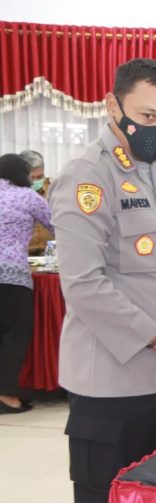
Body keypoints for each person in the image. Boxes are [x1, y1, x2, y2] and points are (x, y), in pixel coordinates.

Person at [48, 58, 156, 503]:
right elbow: (84, 285)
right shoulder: (88, 175)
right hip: (111, 386)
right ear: (112, 106)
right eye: (148, 115)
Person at [0, 154, 53, 413]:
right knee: (14, 334)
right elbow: (56, 225)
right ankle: (6, 396)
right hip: (11, 275)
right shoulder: (28, 196)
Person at [20, 149, 55, 255]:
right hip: (24, 254)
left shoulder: (53, 188)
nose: (35, 181)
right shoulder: (14, 194)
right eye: (32, 177)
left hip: (49, 252)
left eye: (40, 177)